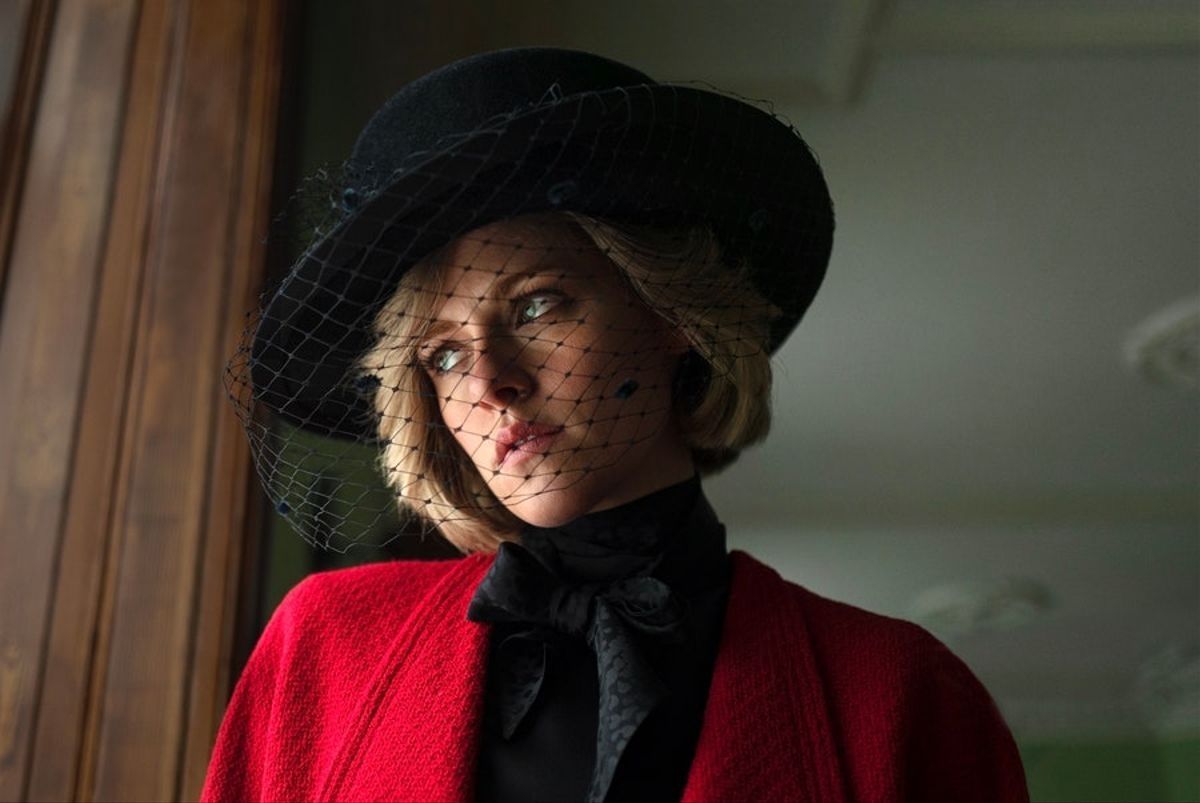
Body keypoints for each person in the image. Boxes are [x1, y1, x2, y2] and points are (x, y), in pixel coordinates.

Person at [203, 48, 1029, 802]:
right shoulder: (324, 649)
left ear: (669, 311)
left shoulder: (899, 690)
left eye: (536, 305)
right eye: (443, 354)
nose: (491, 381)